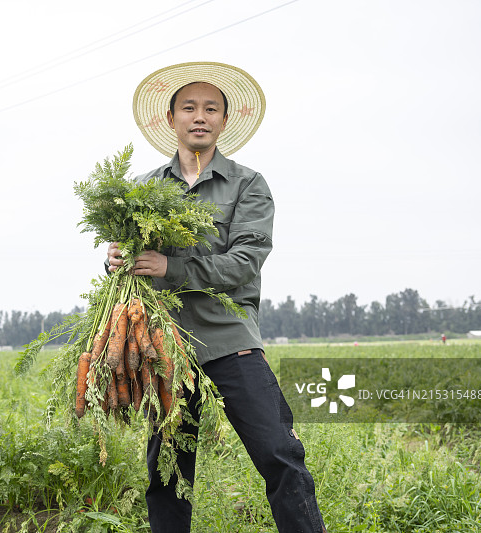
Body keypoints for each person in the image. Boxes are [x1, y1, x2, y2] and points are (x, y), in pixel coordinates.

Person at [107, 62, 327, 533]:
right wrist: (117, 260)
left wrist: (173, 267)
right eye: (189, 107)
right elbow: (131, 266)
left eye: (211, 108)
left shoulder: (248, 184)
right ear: (171, 120)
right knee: (166, 471)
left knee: (279, 454)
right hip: (165, 347)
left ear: (224, 121)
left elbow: (245, 262)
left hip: (230, 340)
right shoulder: (143, 190)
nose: (200, 116)